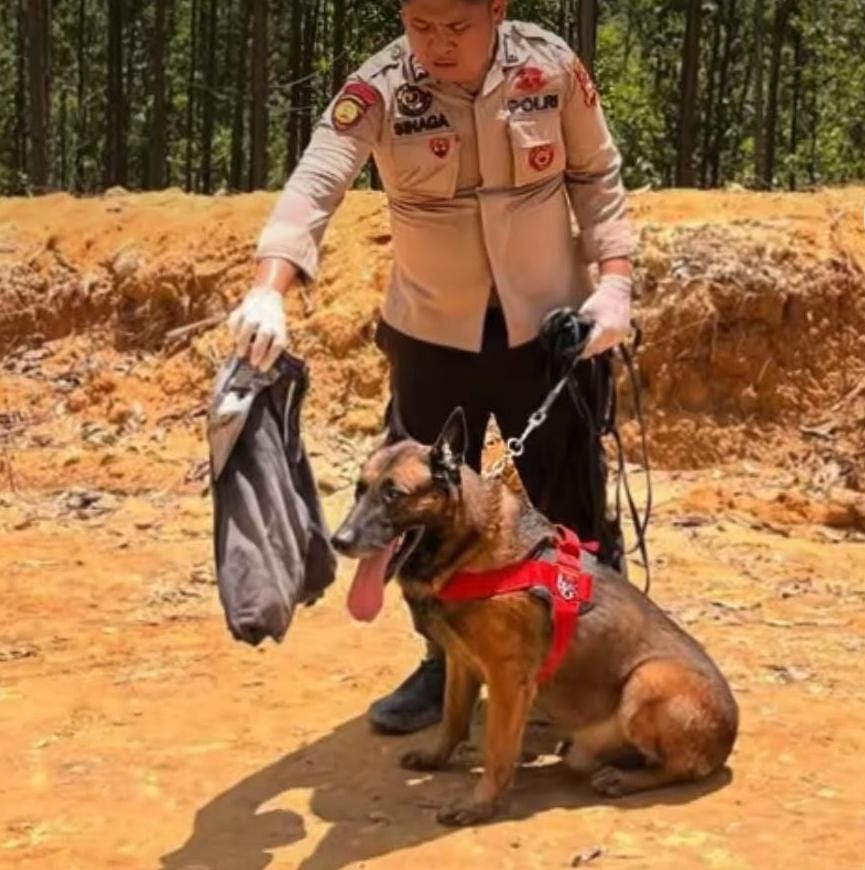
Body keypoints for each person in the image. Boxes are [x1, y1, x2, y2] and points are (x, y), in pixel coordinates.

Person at [227, 0, 636, 735]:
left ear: (496, 10)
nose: (437, 44)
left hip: (548, 330)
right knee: (423, 511)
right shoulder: (379, 88)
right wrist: (268, 289)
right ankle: (442, 661)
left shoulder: (549, 69)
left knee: (568, 501)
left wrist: (614, 284)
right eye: (420, 26)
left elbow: (596, 176)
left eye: (456, 27)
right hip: (431, 334)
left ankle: (581, 657)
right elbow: (315, 184)